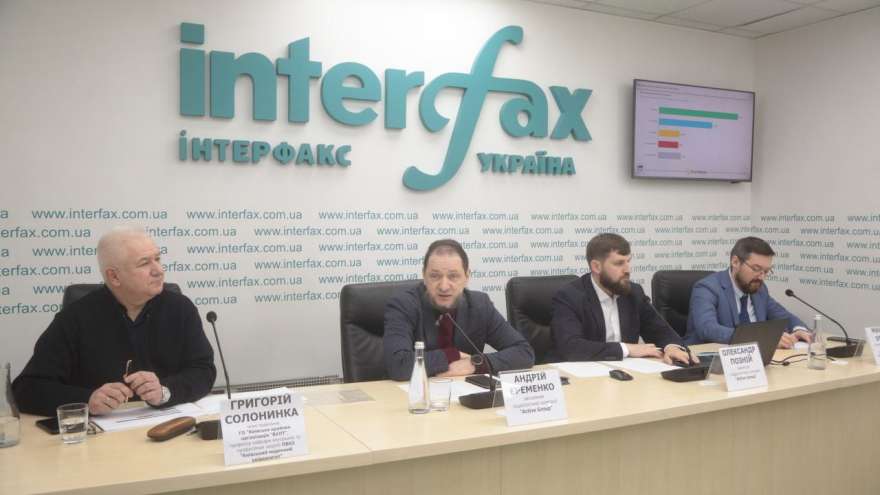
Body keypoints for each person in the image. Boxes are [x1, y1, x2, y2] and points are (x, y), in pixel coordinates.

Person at [13, 226, 216, 417]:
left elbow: (203, 370)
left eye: (157, 259)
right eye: (144, 263)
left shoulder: (180, 308)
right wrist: (87, 400)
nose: (159, 270)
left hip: (167, 425)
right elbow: (27, 388)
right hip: (99, 434)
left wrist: (165, 391)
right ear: (114, 277)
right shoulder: (75, 318)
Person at [384, 239, 535, 381]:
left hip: (464, 392)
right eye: (435, 276)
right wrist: (451, 355)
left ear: (466, 277)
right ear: (424, 276)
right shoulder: (403, 305)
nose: (444, 286)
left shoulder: (480, 305)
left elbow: (523, 352)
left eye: (453, 276)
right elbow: (398, 365)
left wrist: (475, 363)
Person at [550, 233, 696, 364]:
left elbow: (660, 330)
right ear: (596, 267)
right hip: (584, 375)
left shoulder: (633, 293)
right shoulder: (570, 296)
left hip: (627, 372)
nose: (627, 270)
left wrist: (671, 347)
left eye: (628, 261)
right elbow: (570, 347)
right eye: (619, 263)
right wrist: (626, 349)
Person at [685, 236, 810, 348]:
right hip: (709, 359)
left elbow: (783, 316)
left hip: (754, 358)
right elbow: (708, 330)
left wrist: (798, 329)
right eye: (756, 269)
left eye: (766, 271)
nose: (761, 277)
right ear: (735, 262)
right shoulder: (707, 288)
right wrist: (762, 339)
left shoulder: (759, 289)